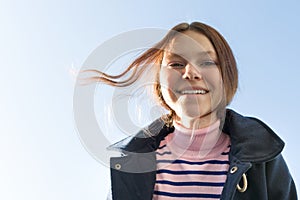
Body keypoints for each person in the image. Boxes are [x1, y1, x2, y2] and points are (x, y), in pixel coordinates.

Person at [86, 22, 297, 199]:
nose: (190, 72)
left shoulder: (262, 157)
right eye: (176, 64)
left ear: (227, 75)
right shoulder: (131, 165)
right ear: (159, 82)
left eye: (206, 61)